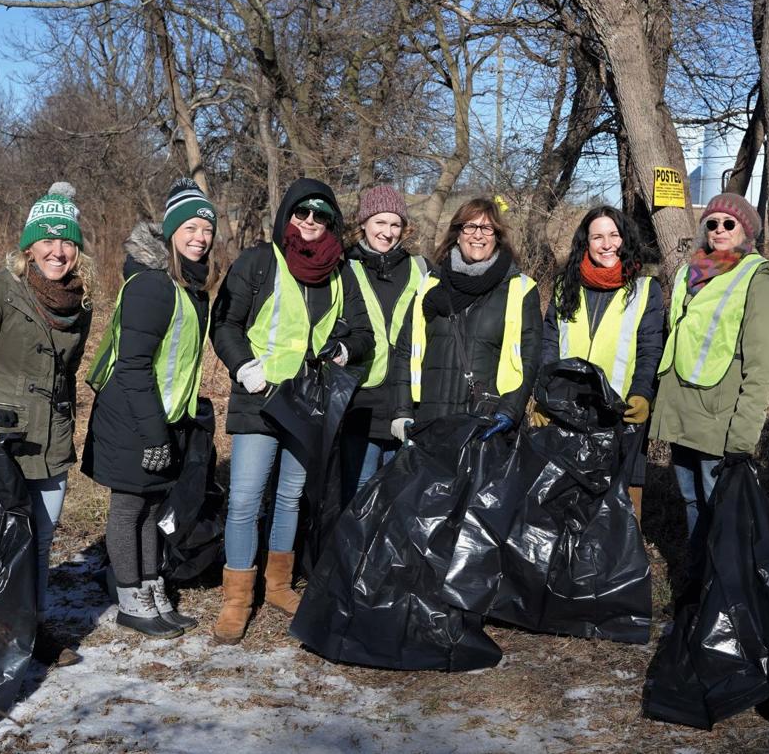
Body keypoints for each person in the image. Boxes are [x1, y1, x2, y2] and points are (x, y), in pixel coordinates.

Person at [210, 178, 373, 645]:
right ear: (287, 216)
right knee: (244, 498)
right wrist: (243, 366)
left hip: (307, 402)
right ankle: (237, 597)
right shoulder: (260, 261)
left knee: (290, 496)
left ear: (331, 224)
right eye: (302, 214)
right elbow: (225, 324)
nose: (310, 223)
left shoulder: (341, 272)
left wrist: (344, 348)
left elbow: (363, 334)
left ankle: (277, 585)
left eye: (320, 217)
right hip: (259, 398)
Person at [0, 183, 92, 667]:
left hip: (50, 443)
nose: (58, 251)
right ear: (28, 247)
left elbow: (64, 376)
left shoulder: (80, 302)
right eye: (47, 241)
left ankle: (30, 629)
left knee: (41, 539)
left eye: (67, 241)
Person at [83, 178, 216, 639]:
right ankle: (130, 599)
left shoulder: (187, 285)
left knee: (152, 505)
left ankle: (151, 587)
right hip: (132, 418)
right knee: (128, 507)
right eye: (191, 228)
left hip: (162, 417)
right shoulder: (152, 286)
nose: (200, 237)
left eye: (207, 230)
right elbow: (135, 367)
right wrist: (154, 434)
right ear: (171, 231)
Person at [650, 193, 769, 537]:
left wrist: (743, 435)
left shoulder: (759, 279)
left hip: (719, 422)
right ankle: (698, 582)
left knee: (720, 508)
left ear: (747, 231)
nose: (719, 230)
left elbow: (761, 369)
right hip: (681, 412)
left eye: (729, 223)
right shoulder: (688, 273)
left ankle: (724, 586)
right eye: (712, 223)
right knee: (691, 501)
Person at [539, 205, 663, 520]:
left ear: (625, 239)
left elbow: (650, 348)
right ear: (586, 242)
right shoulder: (564, 287)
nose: (606, 244)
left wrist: (642, 393)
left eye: (614, 235)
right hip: (568, 413)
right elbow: (549, 345)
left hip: (619, 414)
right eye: (597, 237)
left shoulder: (645, 289)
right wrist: (542, 397)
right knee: (567, 505)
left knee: (617, 510)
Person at [389, 197, 541, 441]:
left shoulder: (520, 288)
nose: (477, 235)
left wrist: (510, 411)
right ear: (457, 234)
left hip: (486, 425)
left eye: (486, 228)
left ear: (496, 236)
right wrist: (401, 411)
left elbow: (531, 358)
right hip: (430, 422)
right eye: (469, 227)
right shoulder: (430, 284)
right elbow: (406, 351)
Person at [338, 186, 427, 506]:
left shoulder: (421, 267)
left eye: (394, 224)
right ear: (363, 223)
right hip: (359, 396)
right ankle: (353, 553)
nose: (387, 233)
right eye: (379, 223)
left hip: (406, 396)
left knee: (398, 489)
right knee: (358, 488)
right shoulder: (344, 265)